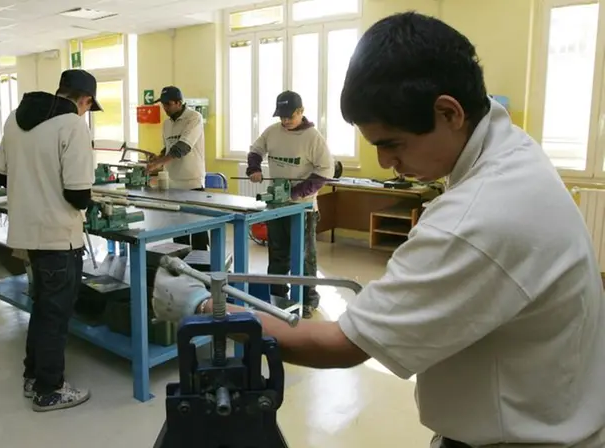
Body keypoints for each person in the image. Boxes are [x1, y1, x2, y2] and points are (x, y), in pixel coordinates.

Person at [151, 12, 605, 447]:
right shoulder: (512, 150)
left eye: (391, 144)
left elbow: (344, 344)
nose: (386, 162)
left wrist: (206, 307)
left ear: (449, 113)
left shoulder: (476, 219)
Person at [0, 69, 102, 412]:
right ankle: (50, 389)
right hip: (58, 235)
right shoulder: (72, 126)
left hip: (27, 231)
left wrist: (33, 185)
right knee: (55, 313)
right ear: (84, 100)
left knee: (42, 305)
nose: (86, 111)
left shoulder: (15, 118)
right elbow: (78, 194)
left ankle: (32, 375)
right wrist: (90, 200)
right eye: (88, 106)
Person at [246, 90, 334, 319]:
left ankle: (308, 299)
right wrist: (254, 168)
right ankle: (276, 295)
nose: (285, 121)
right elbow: (255, 150)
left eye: (289, 116)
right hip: (277, 208)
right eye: (281, 117)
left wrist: (295, 193)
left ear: (301, 112)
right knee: (277, 254)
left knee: (305, 256)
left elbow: (325, 171)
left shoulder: (313, 137)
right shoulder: (272, 132)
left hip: (303, 209)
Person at [146, 86, 209, 250]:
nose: (165, 108)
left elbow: (182, 147)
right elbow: (169, 148)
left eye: (168, 104)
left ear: (179, 103)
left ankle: (202, 269)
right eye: (163, 104)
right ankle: (181, 268)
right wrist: (159, 157)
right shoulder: (166, 124)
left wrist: (160, 163)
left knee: (198, 231)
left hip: (192, 183)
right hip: (172, 184)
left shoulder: (194, 118)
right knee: (178, 232)